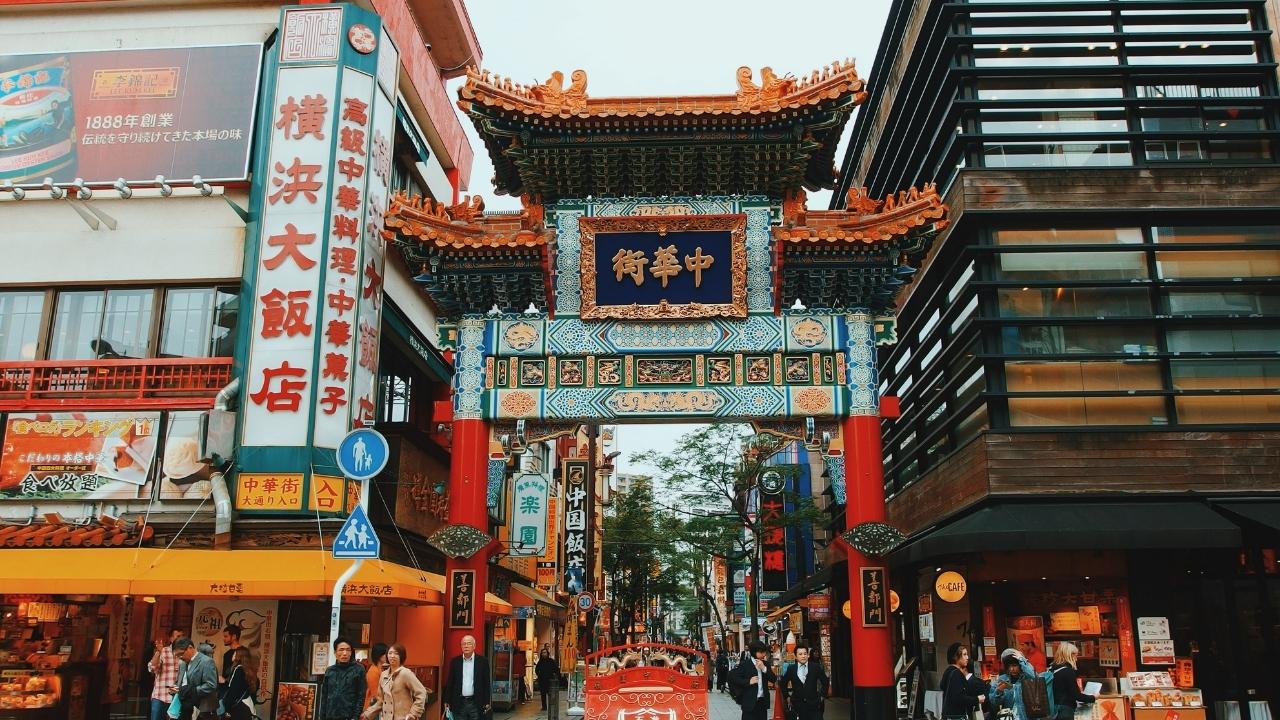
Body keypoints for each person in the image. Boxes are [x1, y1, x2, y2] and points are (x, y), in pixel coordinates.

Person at [363, 643, 427, 720]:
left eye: (396, 653)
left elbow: (421, 692)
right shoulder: (384, 675)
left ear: (401, 656)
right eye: (390, 653)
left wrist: (413, 714)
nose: (392, 656)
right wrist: (367, 714)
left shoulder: (406, 673)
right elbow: (381, 701)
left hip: (403, 717)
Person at [444, 635, 491, 720]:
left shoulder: (483, 662)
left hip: (476, 702)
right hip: (459, 702)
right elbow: (450, 681)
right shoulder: (455, 662)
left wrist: (487, 702)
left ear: (474, 646)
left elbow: (486, 683)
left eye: (469, 643)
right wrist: (447, 700)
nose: (466, 646)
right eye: (463, 644)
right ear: (461, 646)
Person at [320, 636, 367, 720]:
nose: (345, 653)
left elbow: (361, 696)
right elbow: (324, 697)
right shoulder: (329, 671)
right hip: (330, 717)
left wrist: (355, 717)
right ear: (335, 653)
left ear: (351, 652)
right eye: (341, 650)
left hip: (349, 717)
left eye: (348, 650)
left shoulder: (359, 669)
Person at [729, 641, 776, 720]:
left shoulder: (766, 664)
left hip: (762, 702)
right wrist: (748, 681)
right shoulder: (745, 664)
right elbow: (734, 679)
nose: (764, 655)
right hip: (749, 702)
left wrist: (764, 669)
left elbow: (773, 679)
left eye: (764, 652)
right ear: (754, 652)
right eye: (761, 652)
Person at [173, 637, 218, 720]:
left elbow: (211, 685)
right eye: (177, 656)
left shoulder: (206, 661)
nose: (180, 657)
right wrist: (174, 688)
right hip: (184, 708)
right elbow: (179, 682)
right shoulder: (182, 664)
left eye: (181, 654)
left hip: (202, 709)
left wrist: (192, 691)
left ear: (190, 647)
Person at [941, 643, 988, 720]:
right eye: (964, 654)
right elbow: (958, 698)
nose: (967, 657)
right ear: (956, 657)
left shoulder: (948, 671)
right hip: (958, 716)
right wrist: (977, 699)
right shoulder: (956, 673)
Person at [780, 645, 829, 720]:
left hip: (814, 705)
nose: (803, 656)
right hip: (797, 705)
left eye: (805, 653)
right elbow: (783, 683)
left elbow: (825, 682)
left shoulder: (815, 667)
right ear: (795, 656)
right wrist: (787, 697)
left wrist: (822, 696)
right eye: (800, 654)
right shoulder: (791, 669)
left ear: (808, 655)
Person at [1049, 643, 1095, 720]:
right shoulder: (1068, 671)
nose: (1076, 659)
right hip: (1065, 712)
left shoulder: (1051, 670)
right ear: (1070, 655)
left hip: (1053, 711)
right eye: (1076, 656)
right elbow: (1076, 695)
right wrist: (1093, 697)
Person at [990, 650, 1035, 720]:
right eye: (1009, 666)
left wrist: (1022, 660)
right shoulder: (1002, 679)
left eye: (1014, 665)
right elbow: (994, 702)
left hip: (1026, 717)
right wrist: (999, 691)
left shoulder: (1027, 678)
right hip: (1008, 717)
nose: (1011, 669)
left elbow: (1033, 675)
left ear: (1020, 665)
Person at [148, 629, 182, 720]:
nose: (181, 639)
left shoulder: (184, 654)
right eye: (178, 636)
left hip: (176, 698)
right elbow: (151, 668)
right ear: (171, 639)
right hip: (160, 696)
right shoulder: (163, 651)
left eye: (182, 636)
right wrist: (158, 652)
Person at [220, 647, 258, 720]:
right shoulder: (247, 669)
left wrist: (227, 709)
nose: (233, 655)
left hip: (239, 709)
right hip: (247, 706)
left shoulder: (238, 669)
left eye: (234, 653)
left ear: (239, 656)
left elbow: (233, 691)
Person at [534, 647, 560, 712]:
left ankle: (551, 706)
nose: (544, 654)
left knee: (550, 694)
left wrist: (554, 676)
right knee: (543, 694)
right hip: (542, 680)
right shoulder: (540, 662)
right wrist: (539, 675)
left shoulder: (551, 661)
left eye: (545, 652)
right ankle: (544, 706)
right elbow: (536, 670)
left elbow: (556, 669)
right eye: (542, 653)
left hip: (550, 680)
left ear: (547, 653)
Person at [365, 643, 389, 710]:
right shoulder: (373, 671)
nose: (388, 656)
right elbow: (376, 695)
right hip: (373, 707)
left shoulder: (382, 668)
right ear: (379, 655)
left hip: (380, 705)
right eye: (386, 654)